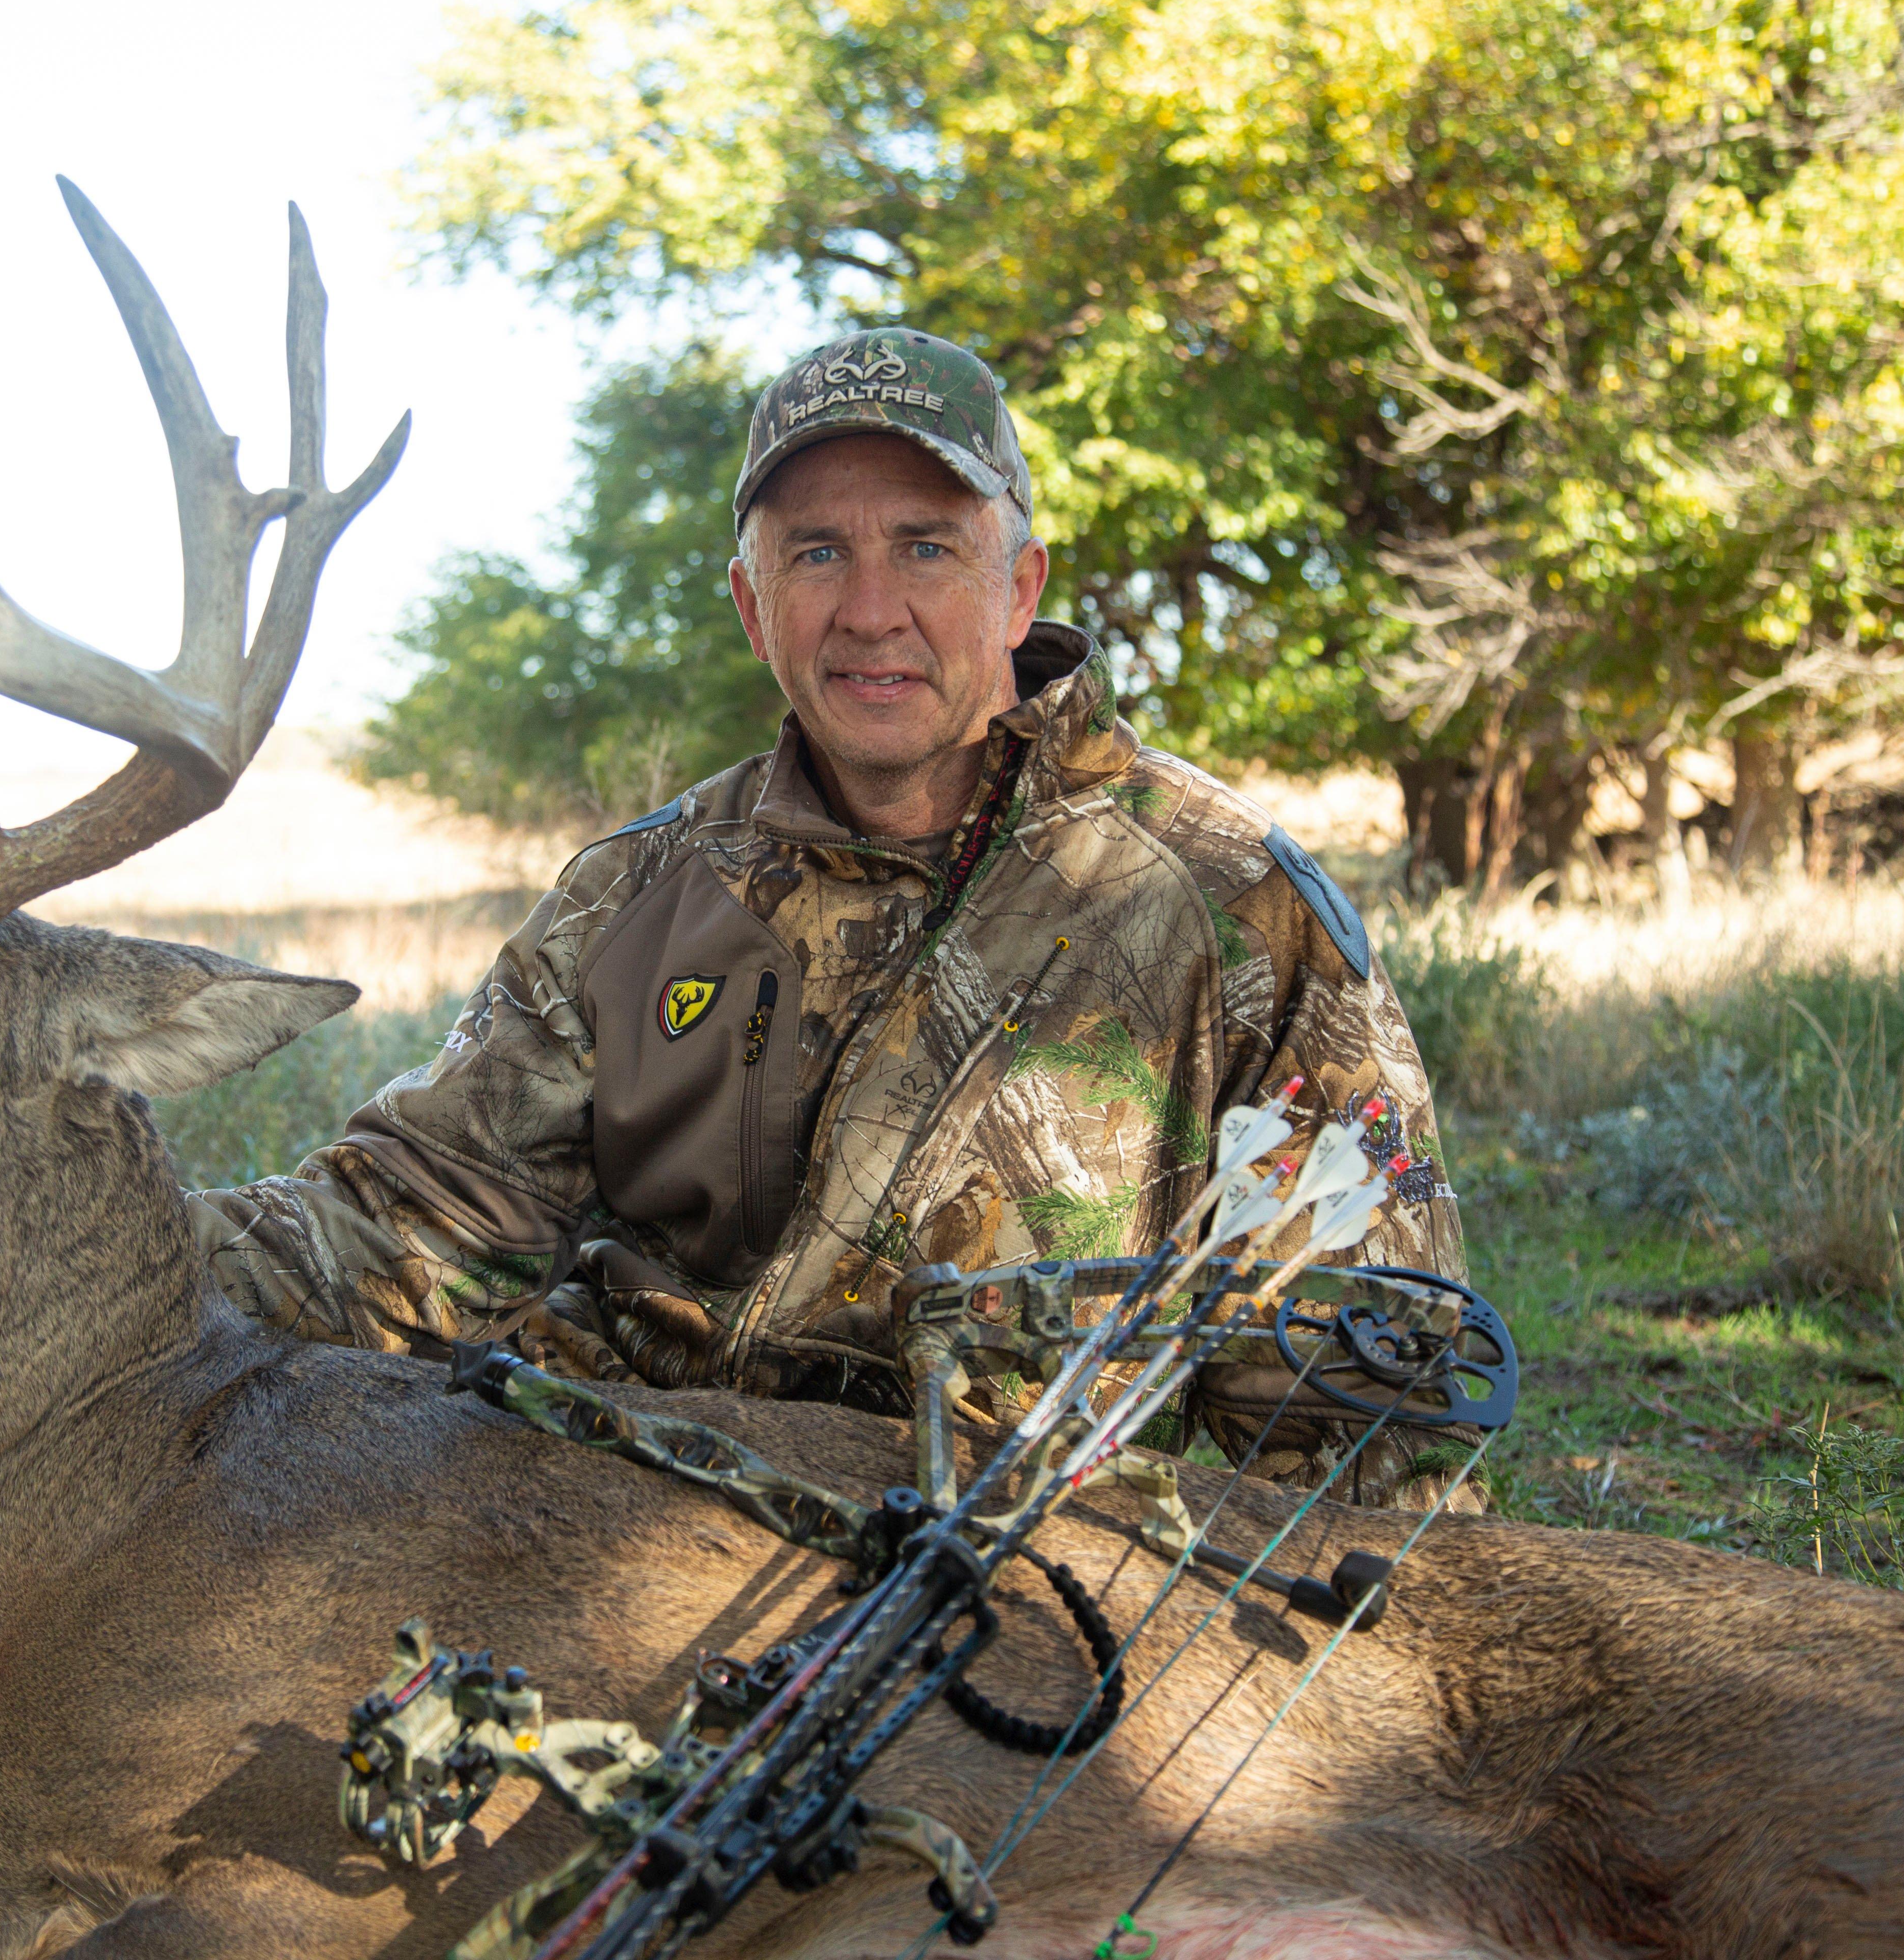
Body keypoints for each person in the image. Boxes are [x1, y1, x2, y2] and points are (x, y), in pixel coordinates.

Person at [191, 328, 1473, 1508]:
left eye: (926, 545)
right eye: (817, 553)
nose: (871, 611)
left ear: (1019, 590)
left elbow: (1363, 1410)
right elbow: (406, 1230)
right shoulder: (634, 896)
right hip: (615, 1540)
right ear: (754, 609)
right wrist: (95, 1229)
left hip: (1005, 1605)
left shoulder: (1232, 908)